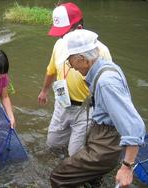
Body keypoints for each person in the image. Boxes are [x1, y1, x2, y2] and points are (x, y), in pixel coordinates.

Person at [50, 29, 146, 187]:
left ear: (83, 59)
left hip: (106, 145)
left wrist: (127, 167)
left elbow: (135, 127)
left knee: (59, 176)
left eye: (70, 61)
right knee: (91, 180)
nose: (71, 67)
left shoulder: (106, 82)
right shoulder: (107, 67)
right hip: (102, 136)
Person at [38, 2, 112, 156]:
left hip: (85, 110)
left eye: (64, 33)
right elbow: (51, 70)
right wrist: (44, 91)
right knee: (52, 145)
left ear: (78, 28)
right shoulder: (59, 45)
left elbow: (108, 87)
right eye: (59, 33)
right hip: (61, 103)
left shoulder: (101, 51)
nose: (61, 37)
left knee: (74, 155)